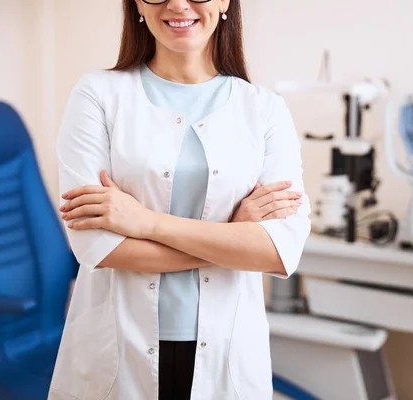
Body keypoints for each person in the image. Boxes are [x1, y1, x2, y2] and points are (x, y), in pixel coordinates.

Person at [48, 0, 311, 399]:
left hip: (227, 347)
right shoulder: (98, 95)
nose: (177, 4)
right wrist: (234, 236)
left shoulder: (264, 109)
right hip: (119, 345)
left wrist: (145, 223)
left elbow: (277, 252)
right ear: (137, 3)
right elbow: (97, 247)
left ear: (224, 2)